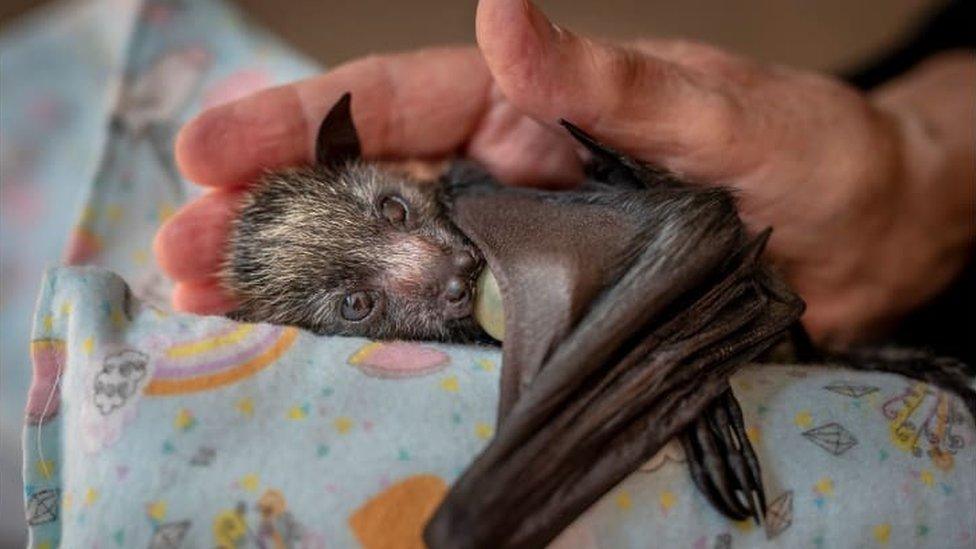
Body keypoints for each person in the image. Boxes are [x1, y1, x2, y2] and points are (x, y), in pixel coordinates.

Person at [155, 0, 974, 354]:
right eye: (362, 302)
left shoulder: (490, 196)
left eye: (399, 213)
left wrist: (908, 166)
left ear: (377, 170)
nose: (433, 264)